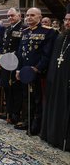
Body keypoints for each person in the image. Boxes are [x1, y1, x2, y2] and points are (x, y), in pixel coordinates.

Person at [15, 7, 57, 135]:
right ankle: (27, 121)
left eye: (32, 15)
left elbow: (47, 54)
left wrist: (37, 68)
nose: (29, 17)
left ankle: (36, 125)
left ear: (40, 17)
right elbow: (20, 52)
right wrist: (18, 69)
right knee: (26, 96)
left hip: (38, 73)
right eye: (27, 15)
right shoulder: (25, 31)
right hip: (24, 72)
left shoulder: (49, 32)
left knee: (37, 99)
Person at [40, 9, 70, 151]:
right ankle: (51, 135)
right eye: (66, 20)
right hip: (56, 80)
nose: (67, 23)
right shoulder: (60, 38)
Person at [0, 8, 24, 124]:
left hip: (16, 63)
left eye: (12, 15)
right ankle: (8, 112)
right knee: (6, 87)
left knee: (15, 90)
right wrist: (0, 60)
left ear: (19, 16)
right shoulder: (7, 29)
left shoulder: (23, 28)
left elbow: (21, 48)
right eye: (8, 16)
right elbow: (4, 47)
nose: (10, 18)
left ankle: (15, 114)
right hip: (6, 63)